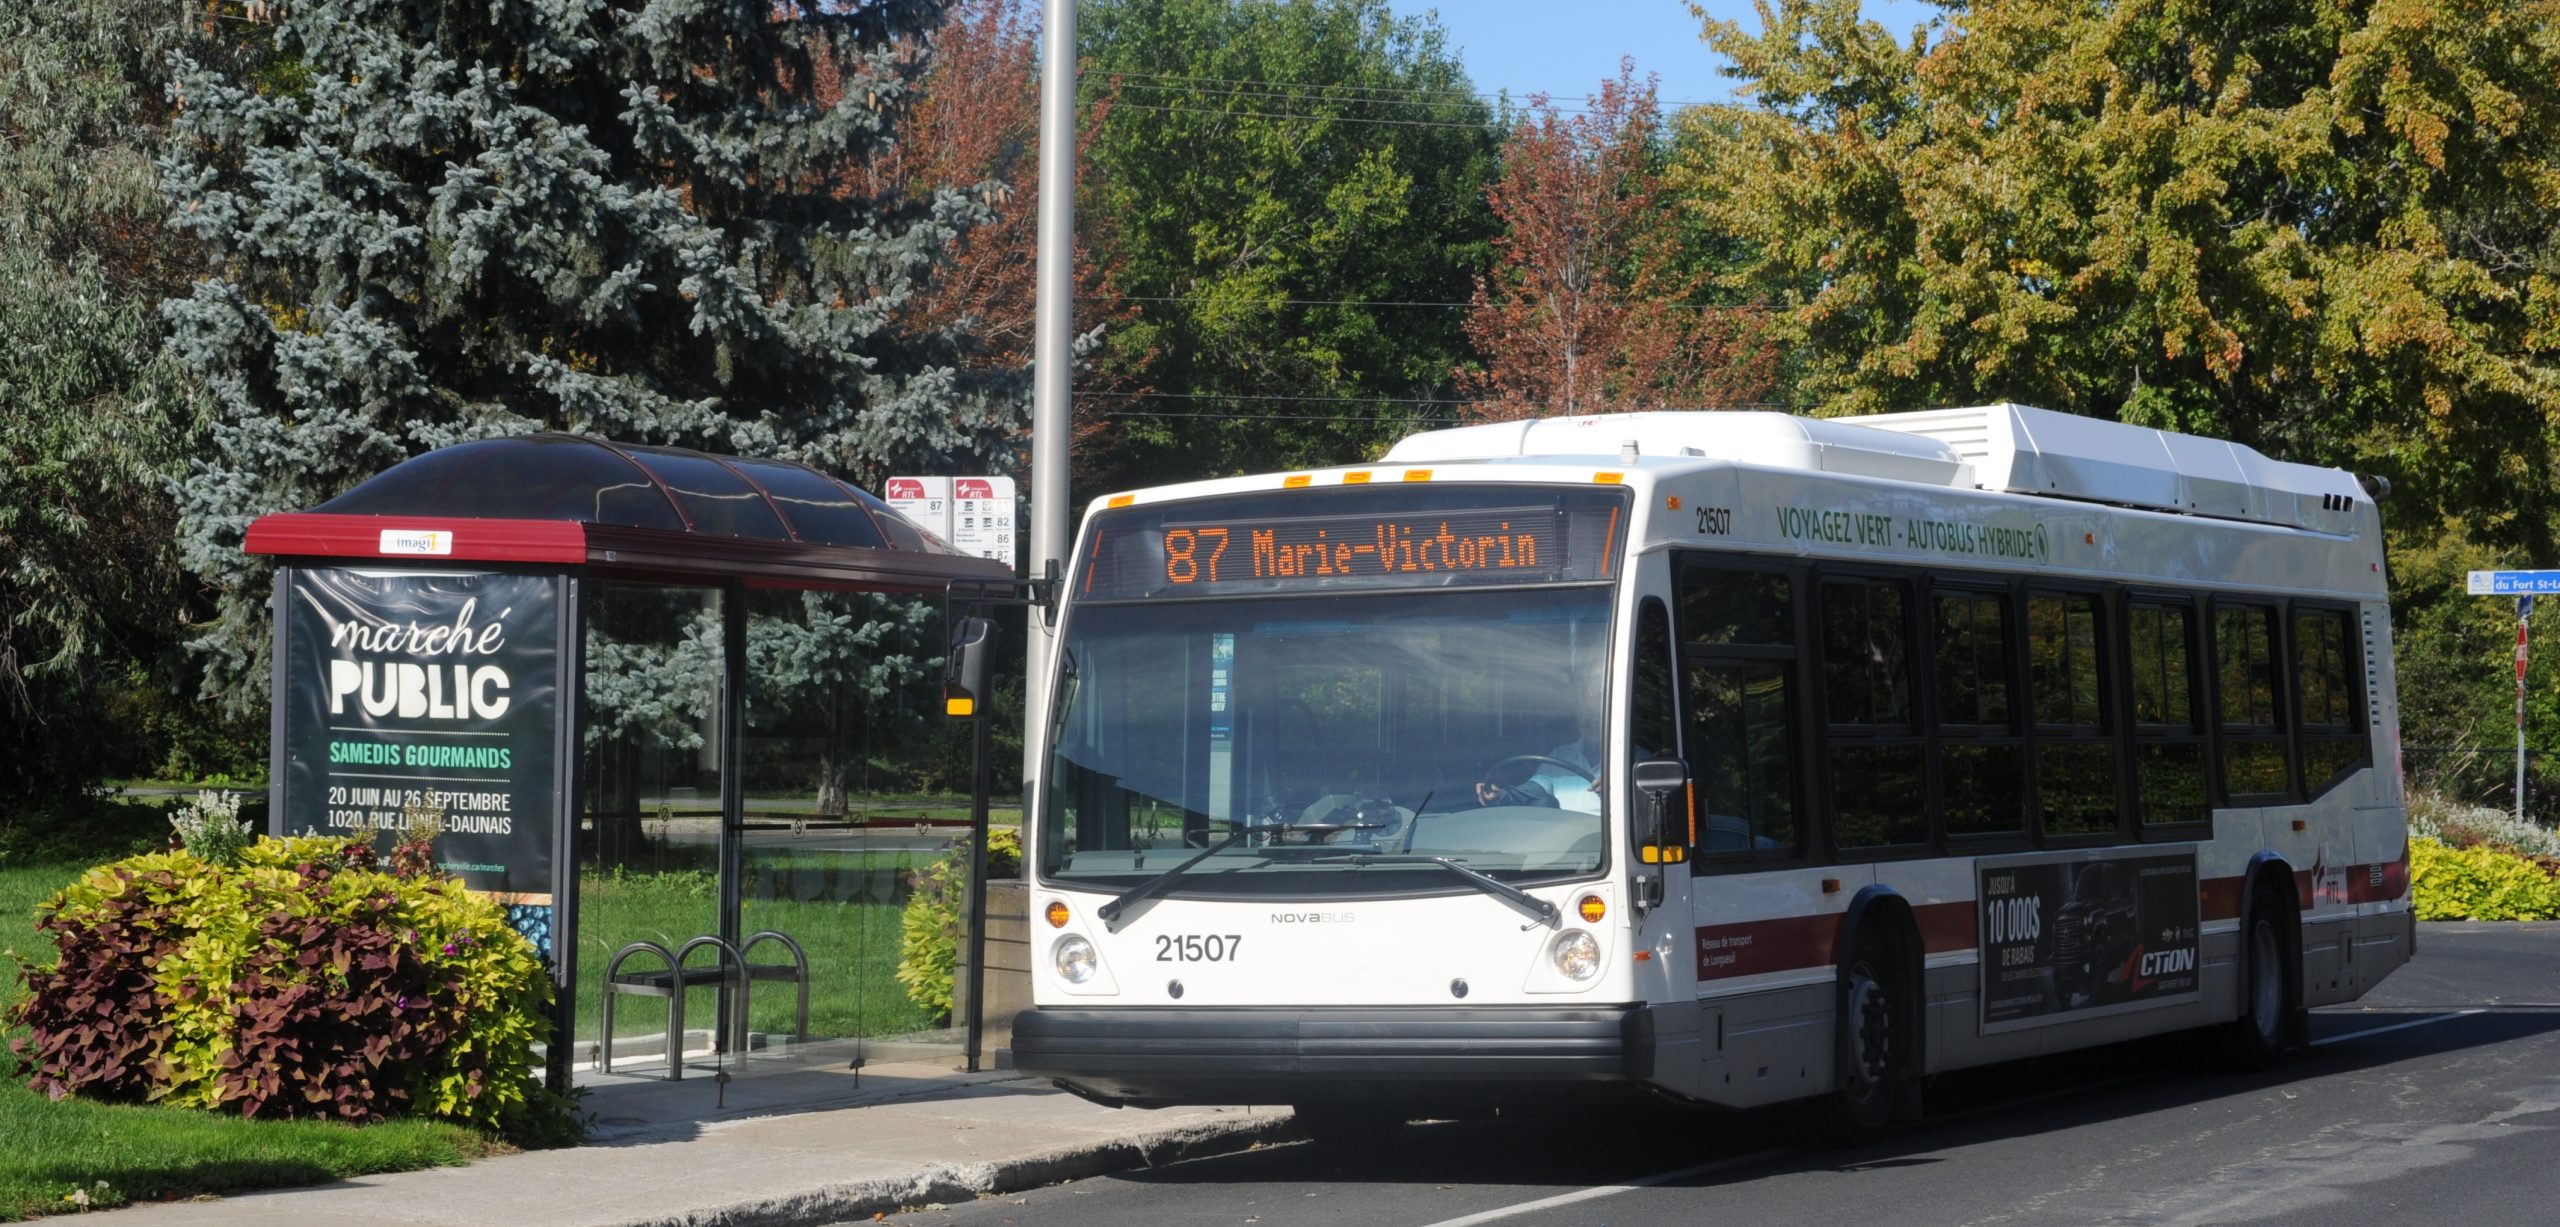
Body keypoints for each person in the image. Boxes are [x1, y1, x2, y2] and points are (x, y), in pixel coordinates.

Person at [1474, 707, 1604, 815]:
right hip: (1562, 830)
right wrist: (1499, 796)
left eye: (1597, 718)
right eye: (1586, 718)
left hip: (1606, 832)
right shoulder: (1560, 755)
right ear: (1579, 722)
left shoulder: (1617, 763)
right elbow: (1534, 789)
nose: (1591, 723)